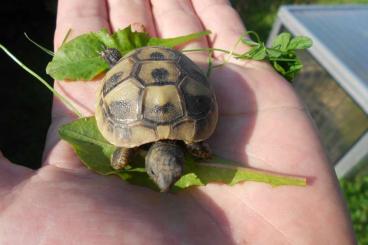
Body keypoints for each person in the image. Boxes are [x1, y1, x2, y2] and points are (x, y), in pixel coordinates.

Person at [0, 0, 356, 244]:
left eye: (164, 174)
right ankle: (118, 61)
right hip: (159, 71)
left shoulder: (175, 143)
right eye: (163, 174)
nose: (165, 181)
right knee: (126, 102)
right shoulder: (190, 139)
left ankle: (119, 62)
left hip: (163, 75)